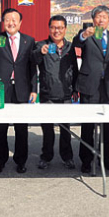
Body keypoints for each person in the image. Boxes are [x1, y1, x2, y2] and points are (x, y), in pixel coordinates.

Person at [0, 8, 37, 174]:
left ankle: (21, 161)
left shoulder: (29, 40)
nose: (11, 23)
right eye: (7, 20)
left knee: (21, 129)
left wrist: (34, 89)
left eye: (14, 20)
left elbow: (31, 66)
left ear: (20, 23)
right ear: (3, 22)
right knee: (0, 128)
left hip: (21, 88)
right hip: (1, 88)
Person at [73, 5, 109, 174]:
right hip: (89, 84)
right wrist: (84, 35)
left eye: (104, 17)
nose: (101, 20)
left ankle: (106, 158)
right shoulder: (87, 35)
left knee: (107, 126)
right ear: (93, 19)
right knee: (88, 125)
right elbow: (76, 42)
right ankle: (86, 160)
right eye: (98, 17)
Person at [32, 15, 78, 170]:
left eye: (60, 28)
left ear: (65, 29)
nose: (56, 31)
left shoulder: (70, 47)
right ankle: (46, 157)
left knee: (65, 129)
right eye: (53, 27)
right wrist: (40, 53)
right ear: (49, 28)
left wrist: (76, 88)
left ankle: (67, 157)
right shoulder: (41, 45)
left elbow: (75, 69)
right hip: (47, 94)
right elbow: (33, 60)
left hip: (66, 94)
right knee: (47, 130)